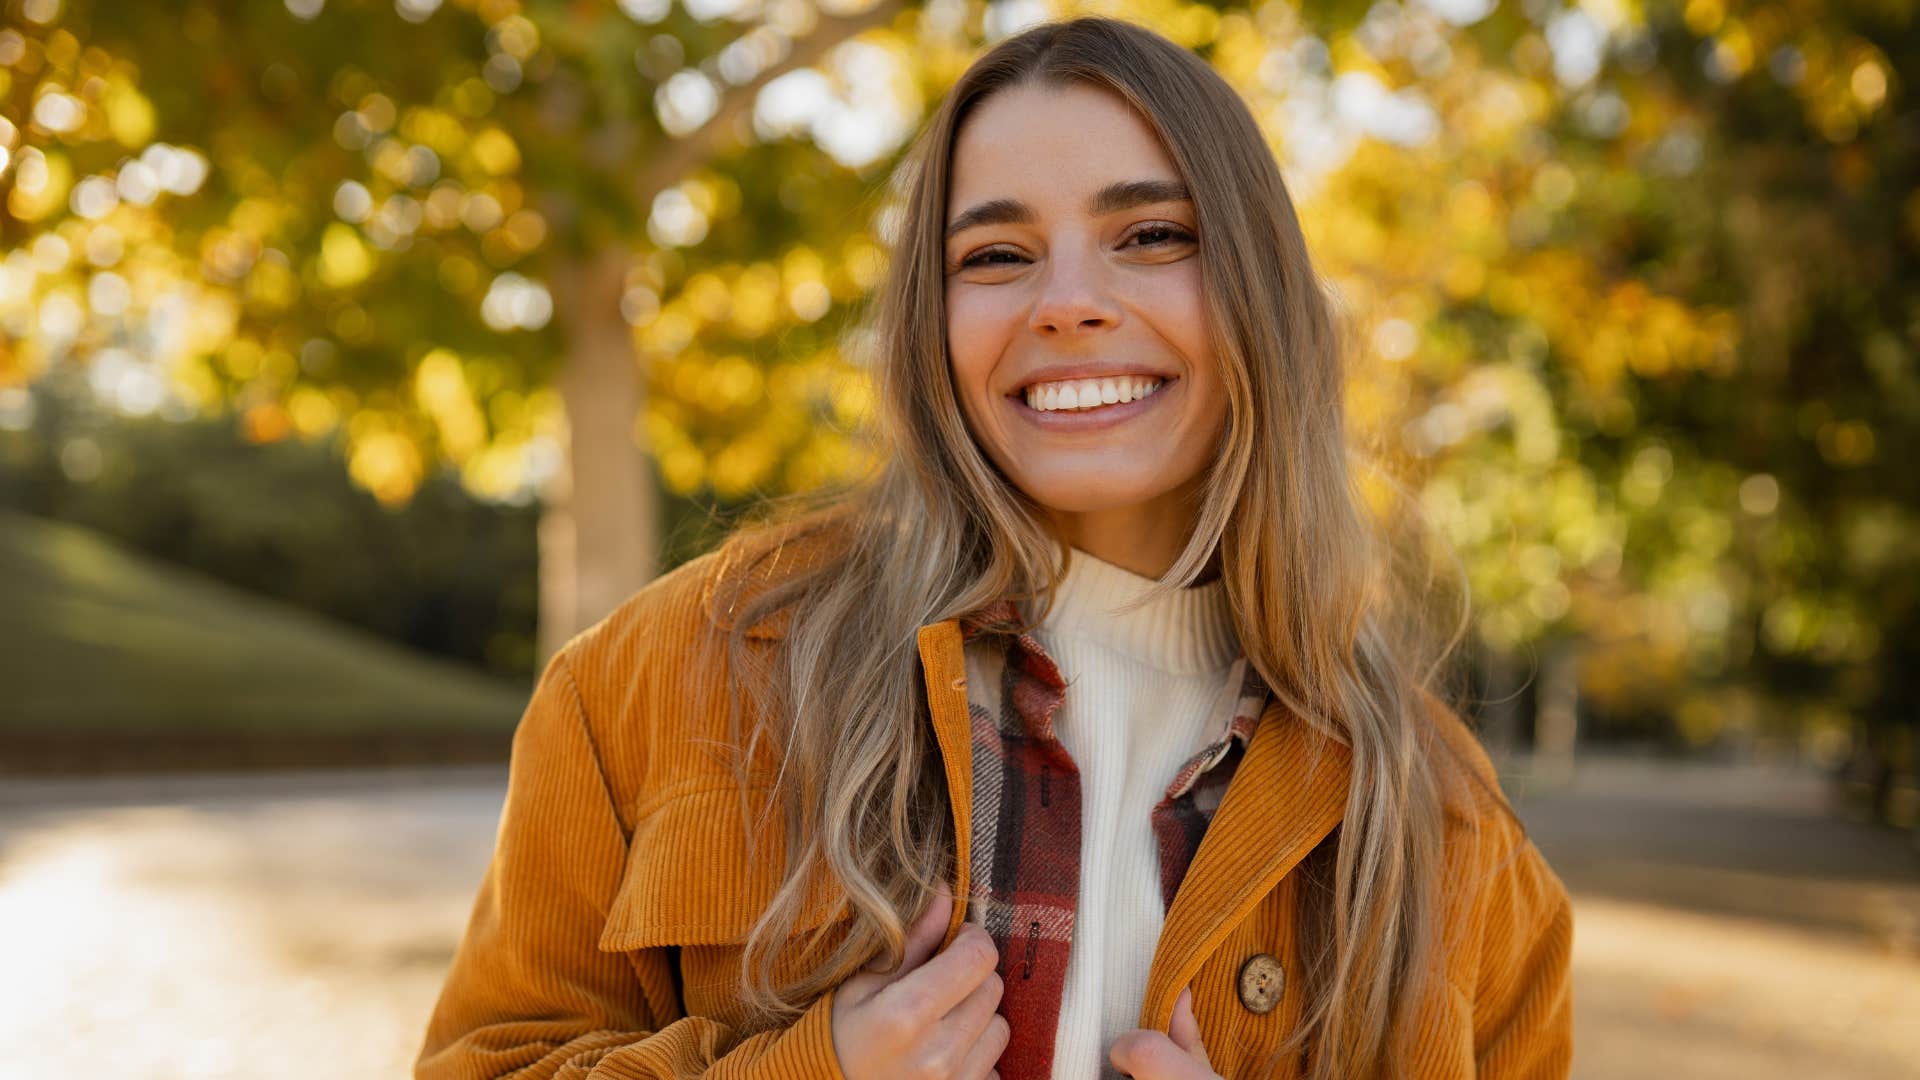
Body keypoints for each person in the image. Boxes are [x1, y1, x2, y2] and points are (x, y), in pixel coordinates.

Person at [415, 15, 1572, 1080]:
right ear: (932, 324)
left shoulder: (1451, 828)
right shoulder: (658, 678)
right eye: (996, 256)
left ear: (1262, 290)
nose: (1068, 301)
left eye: (1152, 234)